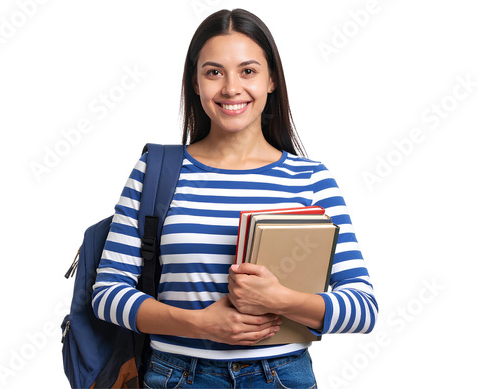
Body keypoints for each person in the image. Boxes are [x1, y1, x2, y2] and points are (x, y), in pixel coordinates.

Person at [92, 8, 378, 388]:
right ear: (195, 83)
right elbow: (108, 293)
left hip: (282, 377)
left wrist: (280, 299)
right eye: (214, 72)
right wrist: (197, 324)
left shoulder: (311, 179)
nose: (230, 88)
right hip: (176, 376)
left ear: (271, 79)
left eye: (248, 71)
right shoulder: (156, 171)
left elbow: (363, 309)